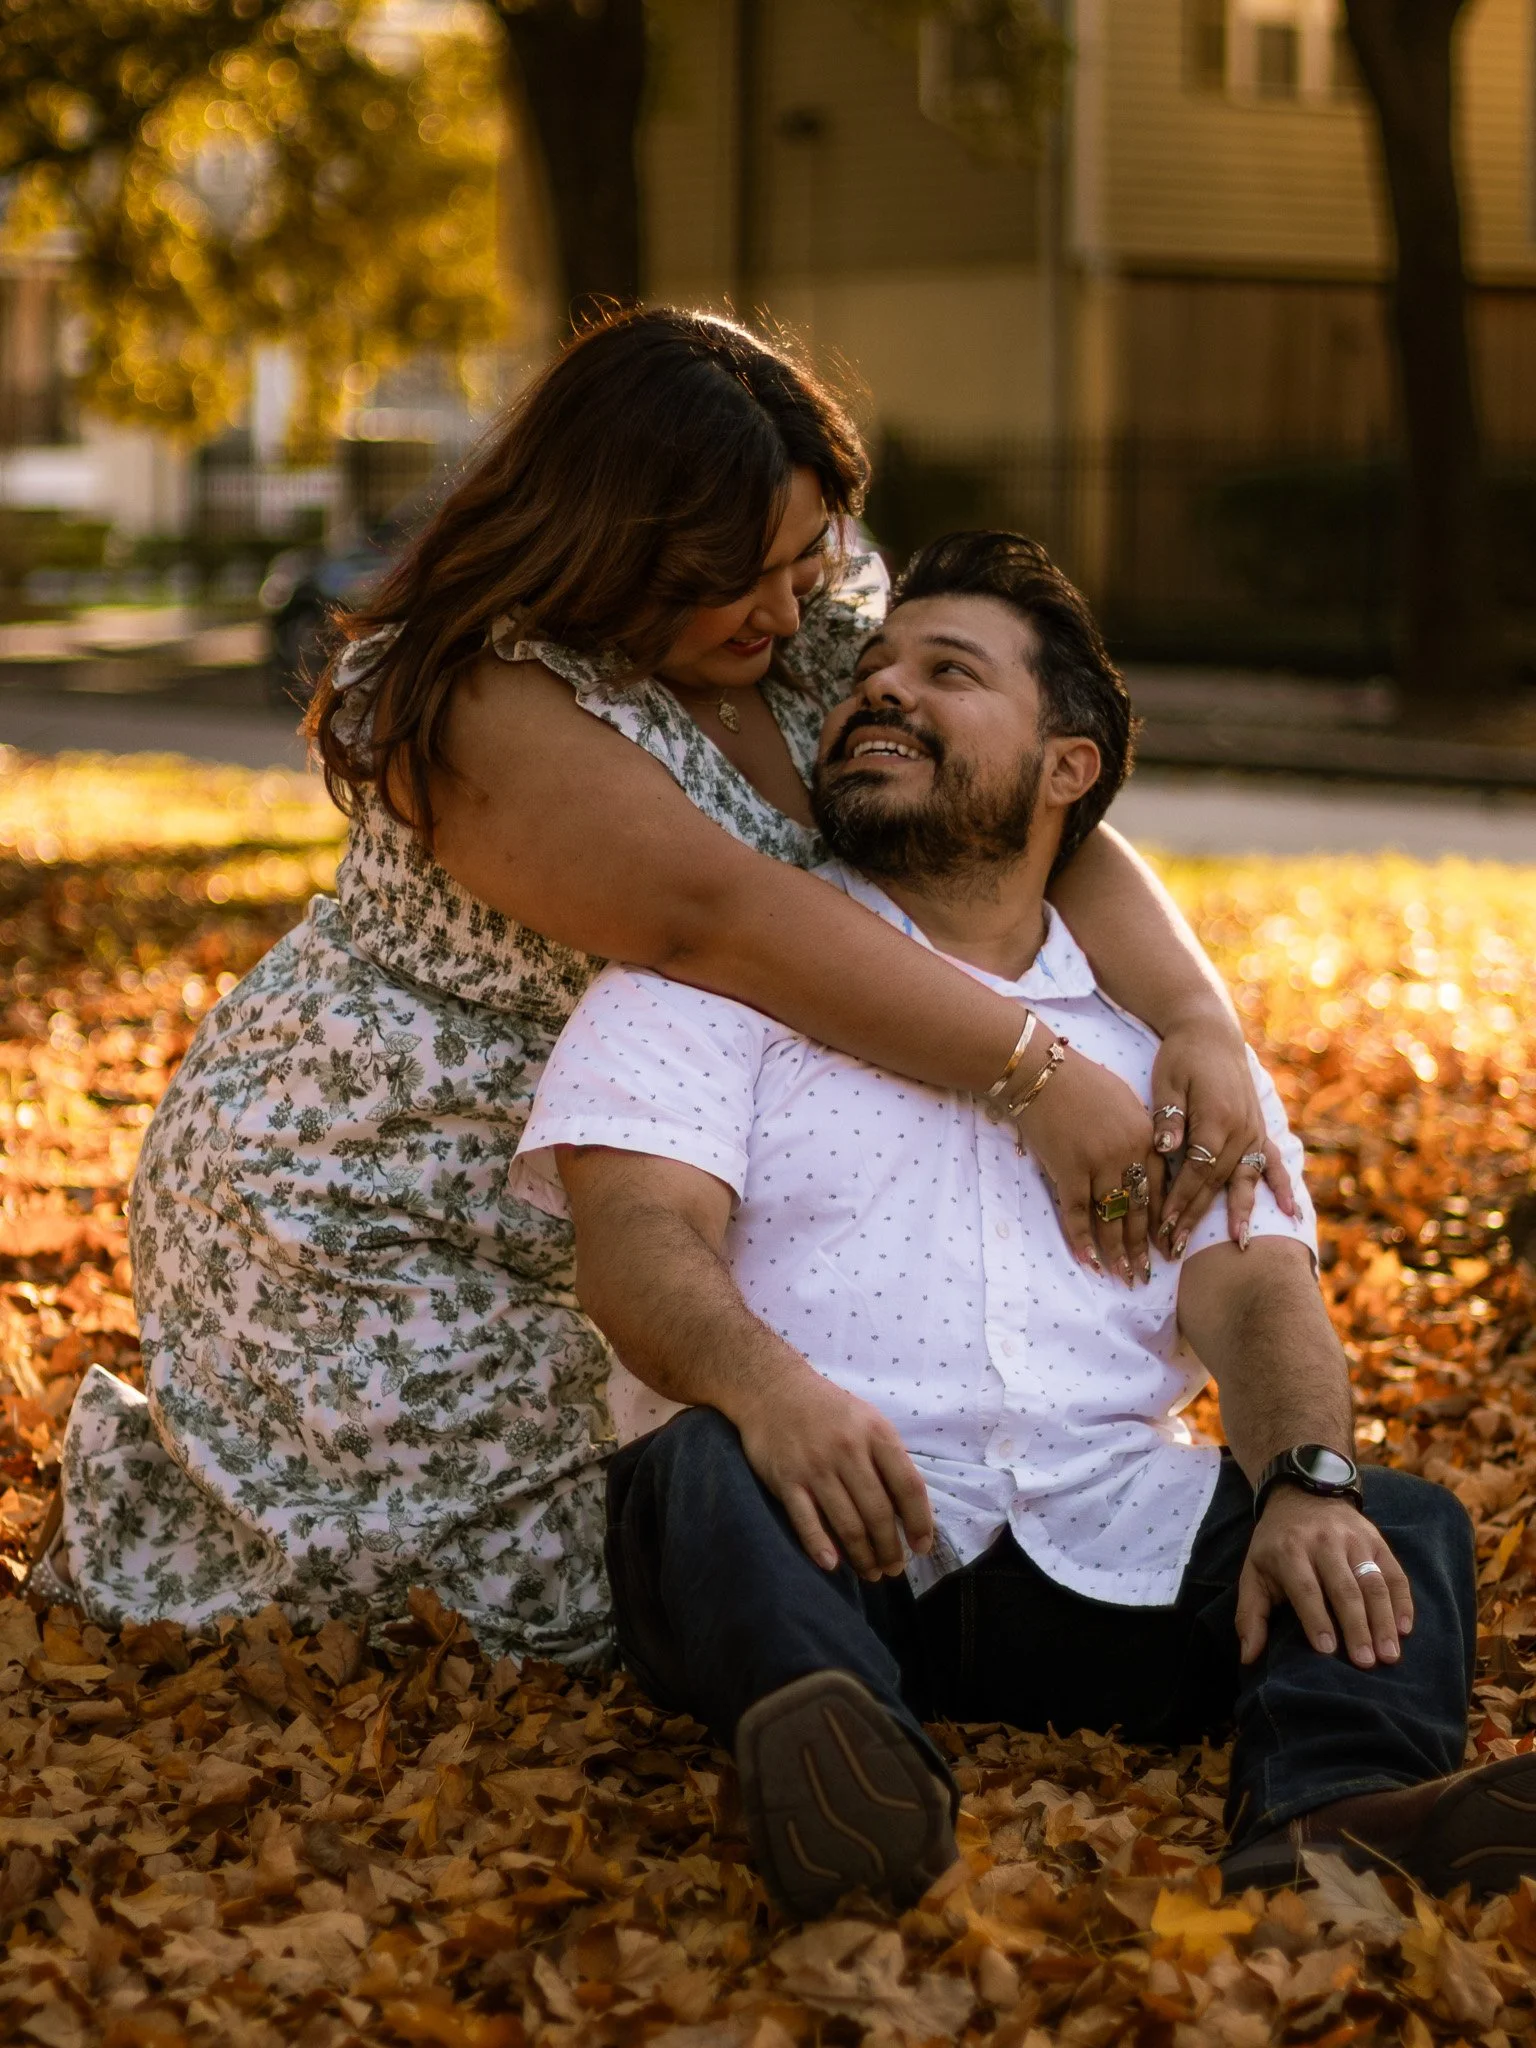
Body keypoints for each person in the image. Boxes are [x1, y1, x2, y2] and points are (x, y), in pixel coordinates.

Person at [44, 313, 1288, 1667]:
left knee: (743, 1540)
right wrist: (1033, 1071)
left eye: (804, 553)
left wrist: (1198, 1023)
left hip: (637, 1170)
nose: (788, 603)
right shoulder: (483, 696)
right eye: (736, 577)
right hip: (385, 1197)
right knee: (608, 1587)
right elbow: (725, 921)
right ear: (608, 547)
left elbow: (1041, 808)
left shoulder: (795, 619)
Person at [511, 528, 1515, 1914]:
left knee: (1394, 1519)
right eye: (869, 669)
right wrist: (772, 1393)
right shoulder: (723, 969)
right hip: (823, 1525)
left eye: (947, 672)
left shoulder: (1160, 1048)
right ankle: (845, 1772)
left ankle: (1333, 1813)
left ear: (1066, 770)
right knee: (694, 1476)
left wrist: (1303, 1481)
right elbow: (635, 1247)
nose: (880, 690)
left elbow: (1258, 1294)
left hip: (1109, 1538)